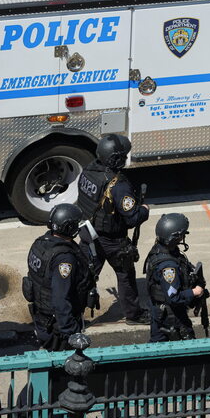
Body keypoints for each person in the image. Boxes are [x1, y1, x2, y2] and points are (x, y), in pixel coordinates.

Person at [76, 134, 151, 325]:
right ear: (114, 158)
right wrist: (144, 210)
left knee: (84, 277)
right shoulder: (118, 185)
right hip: (113, 239)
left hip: (88, 233)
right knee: (125, 276)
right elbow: (132, 217)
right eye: (123, 156)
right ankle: (134, 315)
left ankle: (72, 316)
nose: (125, 159)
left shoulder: (87, 171)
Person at [24, 203, 92, 351]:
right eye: (76, 224)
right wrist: (71, 332)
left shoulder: (41, 243)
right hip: (57, 326)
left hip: (42, 317)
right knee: (64, 366)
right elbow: (60, 298)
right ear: (68, 228)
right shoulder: (64, 258)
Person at [144, 213, 207, 342]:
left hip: (160, 312)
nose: (183, 237)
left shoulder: (159, 250)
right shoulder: (168, 267)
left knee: (157, 346)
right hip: (171, 316)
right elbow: (174, 297)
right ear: (174, 238)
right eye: (182, 235)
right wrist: (194, 292)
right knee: (189, 348)